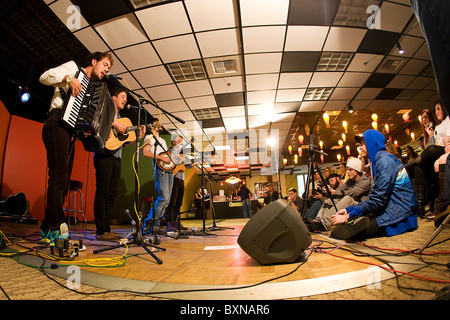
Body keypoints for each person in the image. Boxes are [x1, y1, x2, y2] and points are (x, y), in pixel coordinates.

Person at [39, 51, 113, 243]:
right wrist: (68, 78)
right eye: (105, 64)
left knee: (63, 179)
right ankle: (56, 225)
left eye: (109, 68)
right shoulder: (73, 67)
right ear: (94, 61)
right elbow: (44, 77)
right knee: (58, 177)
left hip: (70, 130)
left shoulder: (93, 87)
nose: (106, 70)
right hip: (56, 123)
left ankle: (47, 227)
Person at [331, 129, 418, 241]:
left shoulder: (384, 161)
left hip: (400, 216)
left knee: (342, 233)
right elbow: (376, 198)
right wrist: (350, 210)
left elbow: (377, 200)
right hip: (391, 209)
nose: (360, 147)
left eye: (363, 144)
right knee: (341, 231)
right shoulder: (378, 160)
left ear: (373, 143)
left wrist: (348, 216)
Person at [93, 86, 145, 241]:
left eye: (126, 98)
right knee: (102, 192)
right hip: (103, 155)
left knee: (111, 194)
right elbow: (96, 124)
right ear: (113, 98)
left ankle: (106, 229)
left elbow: (123, 143)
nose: (125, 100)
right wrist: (113, 124)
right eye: (122, 96)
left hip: (117, 157)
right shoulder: (104, 111)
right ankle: (101, 230)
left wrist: (138, 137)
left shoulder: (122, 118)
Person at [308, 158, 371, 232]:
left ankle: (324, 224)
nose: (347, 172)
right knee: (328, 201)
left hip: (361, 205)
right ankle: (317, 220)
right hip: (351, 205)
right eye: (347, 169)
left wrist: (334, 192)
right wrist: (330, 191)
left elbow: (353, 193)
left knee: (348, 198)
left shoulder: (366, 181)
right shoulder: (350, 181)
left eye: (350, 170)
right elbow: (340, 189)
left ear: (357, 170)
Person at [142, 120, 173, 233]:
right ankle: (149, 224)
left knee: (167, 200)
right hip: (160, 168)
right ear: (152, 126)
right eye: (156, 123)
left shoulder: (163, 140)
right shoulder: (149, 137)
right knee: (163, 198)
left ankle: (157, 225)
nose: (159, 124)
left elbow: (165, 154)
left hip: (169, 169)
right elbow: (145, 153)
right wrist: (162, 158)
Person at [165, 130, 190, 232]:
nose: (181, 142)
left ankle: (176, 222)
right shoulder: (169, 151)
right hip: (173, 178)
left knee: (179, 202)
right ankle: (169, 223)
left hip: (181, 179)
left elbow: (185, 165)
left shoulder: (181, 153)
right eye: (179, 139)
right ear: (173, 141)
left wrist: (194, 163)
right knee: (173, 202)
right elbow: (171, 165)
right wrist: (179, 165)